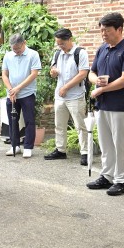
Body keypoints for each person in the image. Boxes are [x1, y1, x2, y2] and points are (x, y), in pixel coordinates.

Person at [86, 13, 124, 196]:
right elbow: (91, 73)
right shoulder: (102, 49)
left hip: (121, 105)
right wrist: (96, 81)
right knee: (106, 143)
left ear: (119, 29)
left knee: (120, 144)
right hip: (102, 105)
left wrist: (101, 90)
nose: (103, 34)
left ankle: (122, 181)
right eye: (101, 30)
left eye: (107, 30)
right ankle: (107, 176)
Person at [44, 28, 89, 164]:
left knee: (80, 125)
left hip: (76, 95)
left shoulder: (80, 53)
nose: (60, 47)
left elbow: (83, 74)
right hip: (60, 96)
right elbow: (53, 71)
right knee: (59, 125)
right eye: (58, 44)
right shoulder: (58, 53)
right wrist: (53, 72)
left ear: (70, 39)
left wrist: (66, 87)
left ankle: (85, 153)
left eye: (62, 44)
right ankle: (60, 150)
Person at [1, 33, 42, 158]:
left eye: (18, 48)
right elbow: (4, 75)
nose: (16, 51)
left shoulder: (33, 54)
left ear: (24, 43)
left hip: (27, 93)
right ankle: (15, 146)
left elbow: (34, 74)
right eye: (14, 49)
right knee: (12, 120)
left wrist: (18, 88)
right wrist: (11, 90)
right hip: (12, 94)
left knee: (29, 120)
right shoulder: (8, 56)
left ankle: (28, 147)